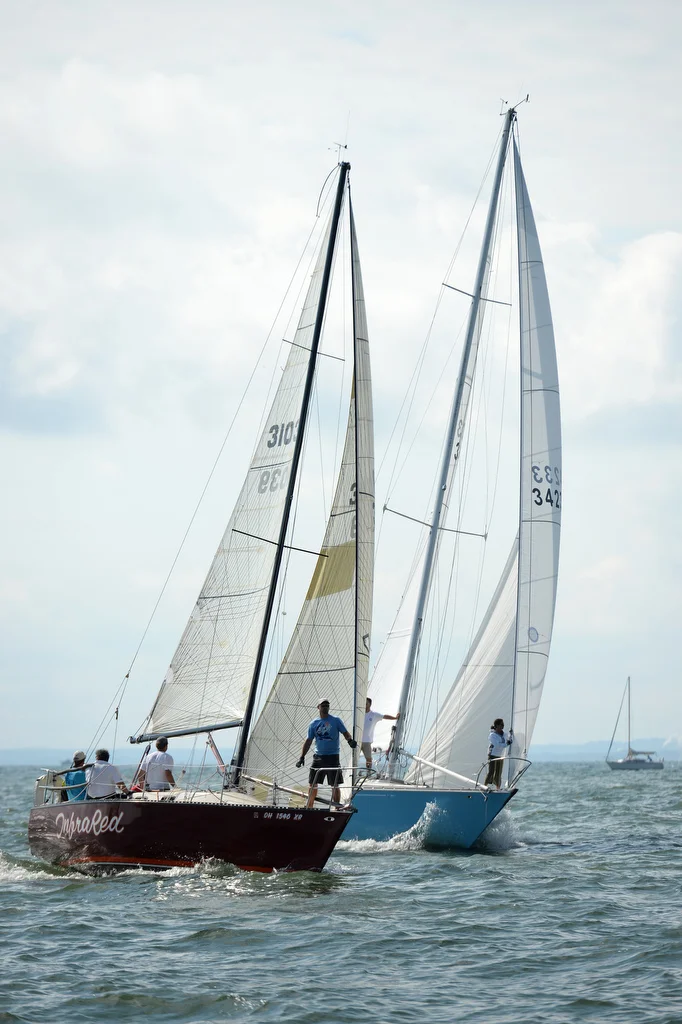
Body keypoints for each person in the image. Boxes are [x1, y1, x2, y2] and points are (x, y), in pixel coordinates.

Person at [296, 700, 357, 808]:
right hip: (318, 757)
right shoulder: (314, 723)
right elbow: (308, 741)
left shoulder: (336, 720)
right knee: (312, 784)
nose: (325, 707)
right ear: (318, 707)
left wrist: (349, 740)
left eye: (327, 705)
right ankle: (309, 807)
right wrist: (302, 757)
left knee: (334, 784)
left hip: (333, 757)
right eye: (323, 705)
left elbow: (345, 733)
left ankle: (337, 807)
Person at [362, 698, 399, 771]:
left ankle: (368, 773)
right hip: (357, 740)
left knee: (369, 759)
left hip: (367, 741)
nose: (364, 705)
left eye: (366, 703)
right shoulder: (359, 714)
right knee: (354, 759)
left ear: (369, 704)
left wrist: (395, 718)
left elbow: (384, 716)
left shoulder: (374, 715)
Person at [485, 718, 513, 789]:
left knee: (498, 773)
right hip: (492, 755)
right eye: (501, 724)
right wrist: (507, 744)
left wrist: (511, 734)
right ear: (496, 726)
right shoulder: (492, 735)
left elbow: (509, 739)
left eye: (503, 724)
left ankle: (498, 788)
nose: (503, 726)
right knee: (491, 772)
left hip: (500, 756)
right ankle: (485, 787)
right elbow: (498, 745)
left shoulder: (504, 734)